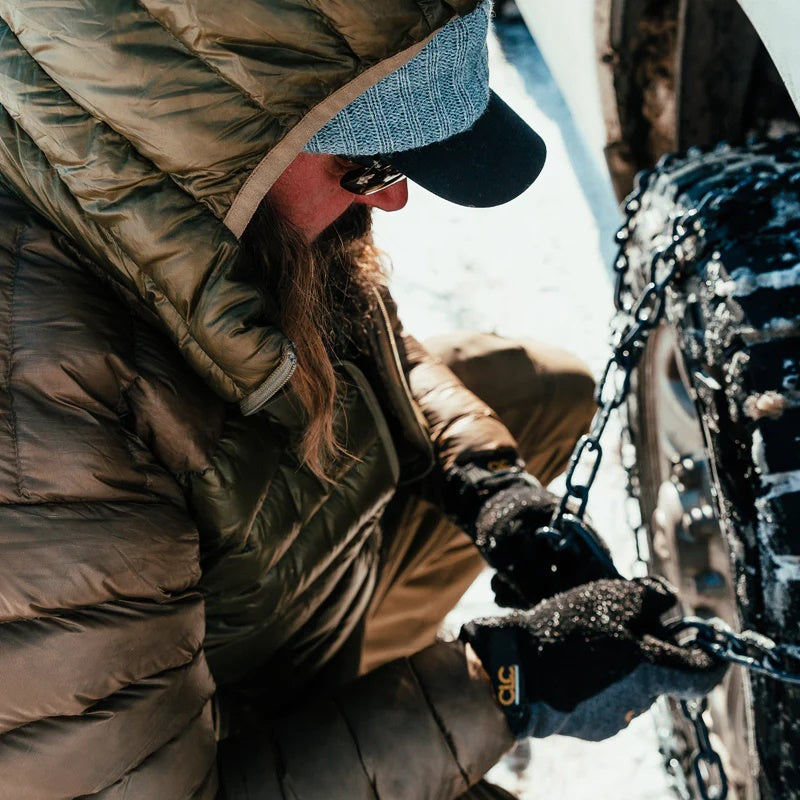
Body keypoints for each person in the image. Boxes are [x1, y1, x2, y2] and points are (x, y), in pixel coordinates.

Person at [0, 1, 724, 797]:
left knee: (539, 393)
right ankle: (377, 708)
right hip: (212, 733)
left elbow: (357, 335)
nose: (393, 201)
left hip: (286, 590)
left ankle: (380, 677)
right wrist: (506, 687)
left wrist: (493, 493)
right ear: (216, 144)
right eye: (373, 164)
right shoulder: (38, 431)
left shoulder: (200, 212)